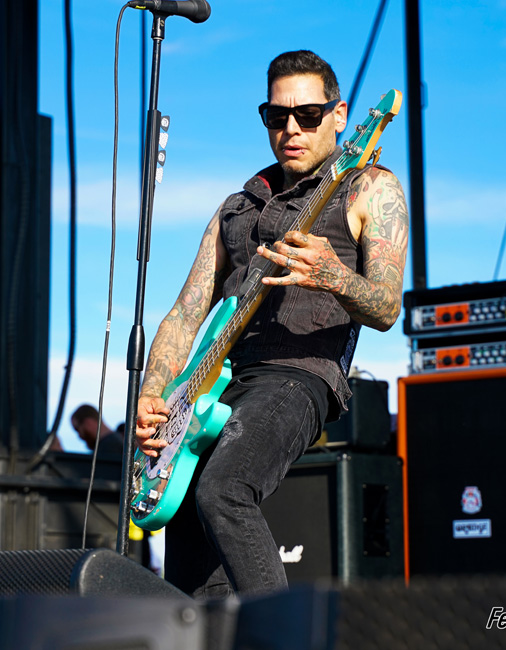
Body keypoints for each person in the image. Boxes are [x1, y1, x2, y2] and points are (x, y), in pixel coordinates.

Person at [135, 50, 408, 598]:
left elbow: (386, 307)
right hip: (214, 386)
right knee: (190, 535)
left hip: (298, 376)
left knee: (224, 491)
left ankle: (285, 635)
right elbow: (185, 313)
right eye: (276, 116)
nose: (291, 129)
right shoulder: (237, 207)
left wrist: (334, 276)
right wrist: (152, 393)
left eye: (308, 115)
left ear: (340, 115)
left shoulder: (367, 187)